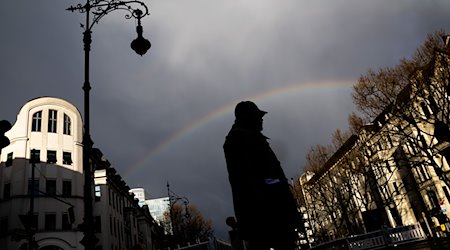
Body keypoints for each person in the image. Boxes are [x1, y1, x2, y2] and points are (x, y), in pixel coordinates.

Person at [223, 101, 300, 250]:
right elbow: (253, 180)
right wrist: (277, 184)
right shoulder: (244, 140)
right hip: (270, 215)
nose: (262, 119)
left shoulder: (244, 138)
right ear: (248, 117)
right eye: (258, 115)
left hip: (261, 217)